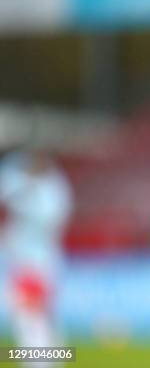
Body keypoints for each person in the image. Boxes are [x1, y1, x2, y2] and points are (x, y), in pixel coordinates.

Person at [0, 149, 72, 366]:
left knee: (30, 321)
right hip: (30, 264)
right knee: (37, 320)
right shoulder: (24, 181)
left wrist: (27, 188)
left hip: (35, 266)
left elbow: (49, 216)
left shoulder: (52, 191)